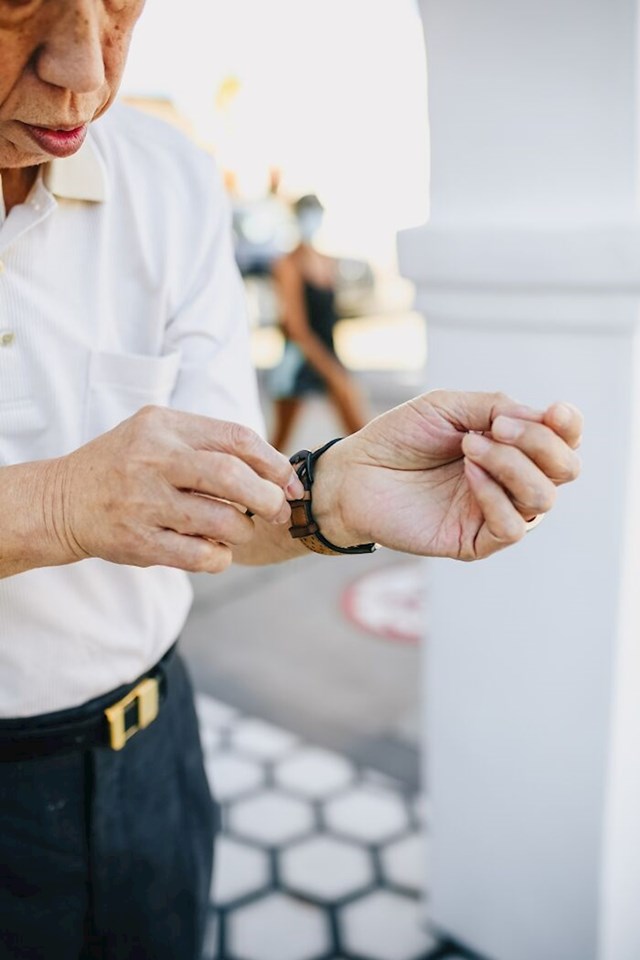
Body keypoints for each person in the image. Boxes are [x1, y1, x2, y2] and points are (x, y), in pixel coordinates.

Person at [0, 2, 582, 959]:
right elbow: (88, 499)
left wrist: (339, 494)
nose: (85, 73)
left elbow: (224, 515)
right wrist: (62, 502)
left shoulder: (171, 176)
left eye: (118, 9)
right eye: (23, 4)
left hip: (153, 753)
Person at [269, 193, 367, 451]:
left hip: (326, 350)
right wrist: (330, 370)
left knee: (361, 433)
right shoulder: (287, 264)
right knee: (277, 444)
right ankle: (258, 488)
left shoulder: (327, 262)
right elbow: (296, 328)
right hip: (301, 359)